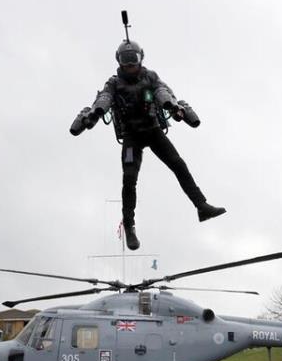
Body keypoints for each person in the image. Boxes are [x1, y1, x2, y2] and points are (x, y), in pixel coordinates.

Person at [70, 39, 226, 250]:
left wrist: (171, 106)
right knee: (129, 180)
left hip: (152, 131)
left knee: (178, 164)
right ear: (119, 61)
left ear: (141, 58)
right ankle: (129, 226)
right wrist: (96, 113)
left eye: (133, 59)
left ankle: (201, 206)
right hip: (132, 136)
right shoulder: (114, 83)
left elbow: (162, 91)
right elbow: (105, 98)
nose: (130, 64)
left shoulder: (150, 76)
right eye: (125, 60)